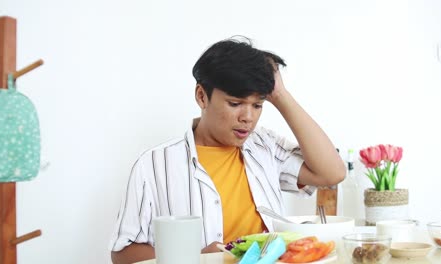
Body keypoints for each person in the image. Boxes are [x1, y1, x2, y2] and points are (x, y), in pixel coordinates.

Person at [109, 36, 345, 264]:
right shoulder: (154, 164)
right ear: (202, 96)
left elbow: (332, 173)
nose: (248, 117)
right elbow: (123, 252)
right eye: (235, 104)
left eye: (258, 105)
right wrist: (197, 257)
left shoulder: (264, 146)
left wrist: (280, 95)